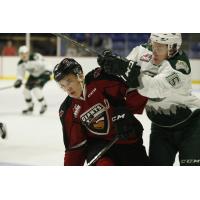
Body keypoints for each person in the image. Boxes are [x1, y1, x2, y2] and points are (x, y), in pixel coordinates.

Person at [97, 33, 200, 166]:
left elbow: (153, 89)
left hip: (190, 126)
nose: (154, 51)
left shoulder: (179, 66)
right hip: (160, 127)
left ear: (173, 48)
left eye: (160, 48)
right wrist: (110, 65)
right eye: (153, 45)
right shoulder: (141, 51)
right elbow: (122, 77)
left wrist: (130, 73)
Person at [53, 57, 149, 166]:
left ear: (79, 75)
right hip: (100, 148)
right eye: (62, 85)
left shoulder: (100, 79)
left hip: (128, 140)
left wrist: (126, 115)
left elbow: (133, 92)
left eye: (69, 81)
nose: (67, 89)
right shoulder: (67, 109)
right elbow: (74, 147)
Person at [14, 45, 52, 114]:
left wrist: (48, 70)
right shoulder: (20, 63)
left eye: (25, 53)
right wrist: (19, 80)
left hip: (44, 73)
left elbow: (44, 63)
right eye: (22, 54)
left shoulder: (35, 56)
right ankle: (30, 107)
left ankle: (44, 105)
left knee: (36, 89)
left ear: (28, 53)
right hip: (33, 75)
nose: (24, 55)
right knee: (25, 91)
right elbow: (20, 74)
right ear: (19, 54)